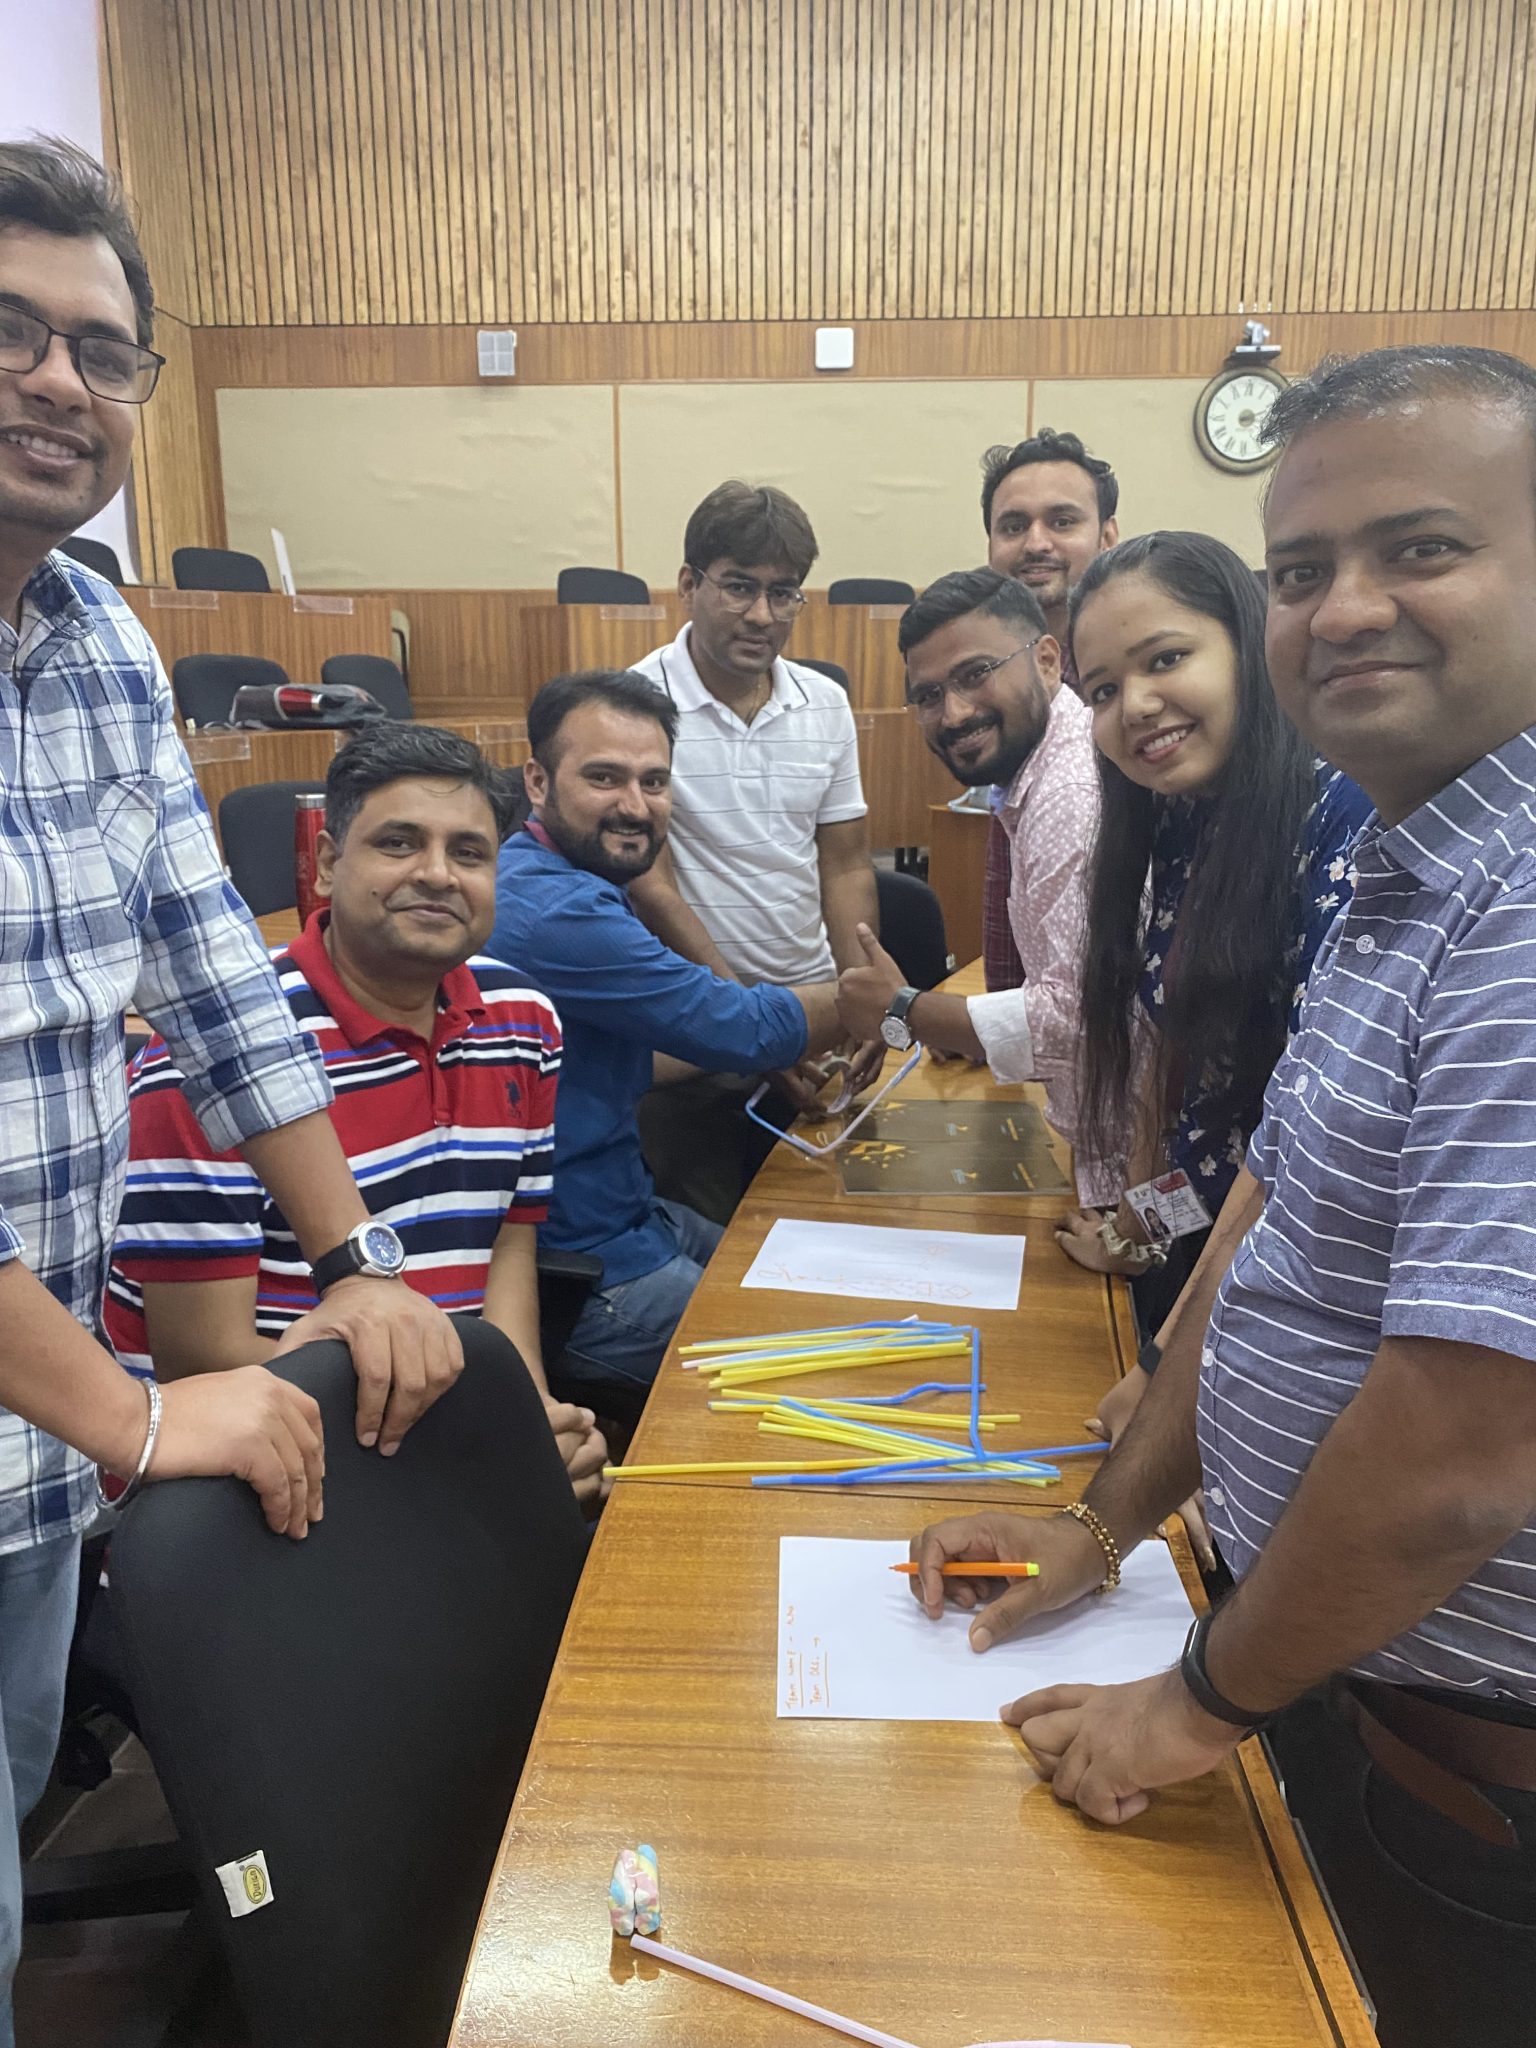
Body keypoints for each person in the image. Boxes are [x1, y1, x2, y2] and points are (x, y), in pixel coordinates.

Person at [907, 345, 1536, 2048]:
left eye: (1419, 549)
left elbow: (1464, 1453)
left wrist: (1189, 1705)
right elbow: (1265, 1237)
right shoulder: (1417, 865)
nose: (1345, 610)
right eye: (1303, 569)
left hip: (1452, 1769)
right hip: (1317, 1671)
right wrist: (1106, 1523)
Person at [0, 140, 457, 2040]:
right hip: (64, 1406)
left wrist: (354, 1251)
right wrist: (128, 1407)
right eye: (12, 332)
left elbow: (216, 976)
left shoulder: (99, 639)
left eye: (103, 353)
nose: (59, 382)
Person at [104, 725, 607, 1504]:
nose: (438, 874)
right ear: (330, 863)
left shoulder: (524, 1019)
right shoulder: (208, 1063)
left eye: (469, 854)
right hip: (268, 1465)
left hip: (438, 1431)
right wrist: (466, 1446)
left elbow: (506, 1247)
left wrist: (525, 1412)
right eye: (400, 843)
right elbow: (201, 1360)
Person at [489, 669, 846, 1402]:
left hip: (628, 1215)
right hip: (580, 1269)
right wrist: (881, 1001)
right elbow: (745, 1028)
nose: (634, 805)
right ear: (536, 780)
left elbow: (627, 1062)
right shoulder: (557, 911)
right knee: (820, 1367)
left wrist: (761, 1046)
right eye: (604, 778)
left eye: (654, 782)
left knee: (816, 1289)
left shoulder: (561, 876)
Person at [1053, 533, 1370, 1345]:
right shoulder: (1179, 811)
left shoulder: (1341, 820)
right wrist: (1137, 1230)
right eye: (1101, 690)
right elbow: (1189, 1080)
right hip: (1203, 1240)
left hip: (1298, 1280)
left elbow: (1301, 1150)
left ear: (1249, 636)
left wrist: (1166, 1368)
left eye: (1165, 659)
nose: (1136, 705)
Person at [627, 481, 881, 1221]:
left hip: (814, 1029)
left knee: (819, 1243)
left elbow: (845, 864)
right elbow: (653, 889)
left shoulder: (824, 703)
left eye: (784, 593)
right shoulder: (634, 705)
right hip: (693, 1037)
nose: (763, 615)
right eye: (740, 587)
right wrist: (748, 1028)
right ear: (688, 585)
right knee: (708, 1251)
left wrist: (863, 999)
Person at [835, 568, 1115, 1202]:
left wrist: (906, 1010)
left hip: (1132, 1179)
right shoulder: (1038, 771)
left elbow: (1076, 1020)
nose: (953, 714)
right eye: (928, 695)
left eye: (973, 674)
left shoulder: (1068, 798)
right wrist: (949, 1027)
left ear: (1047, 660)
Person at [978, 428, 1120, 991]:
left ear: (1107, 536)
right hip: (1048, 1026)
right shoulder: (1000, 684)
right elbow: (1008, 861)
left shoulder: (1144, 675)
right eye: (1013, 526)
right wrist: (1003, 1008)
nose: (1036, 543)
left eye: (1062, 521)